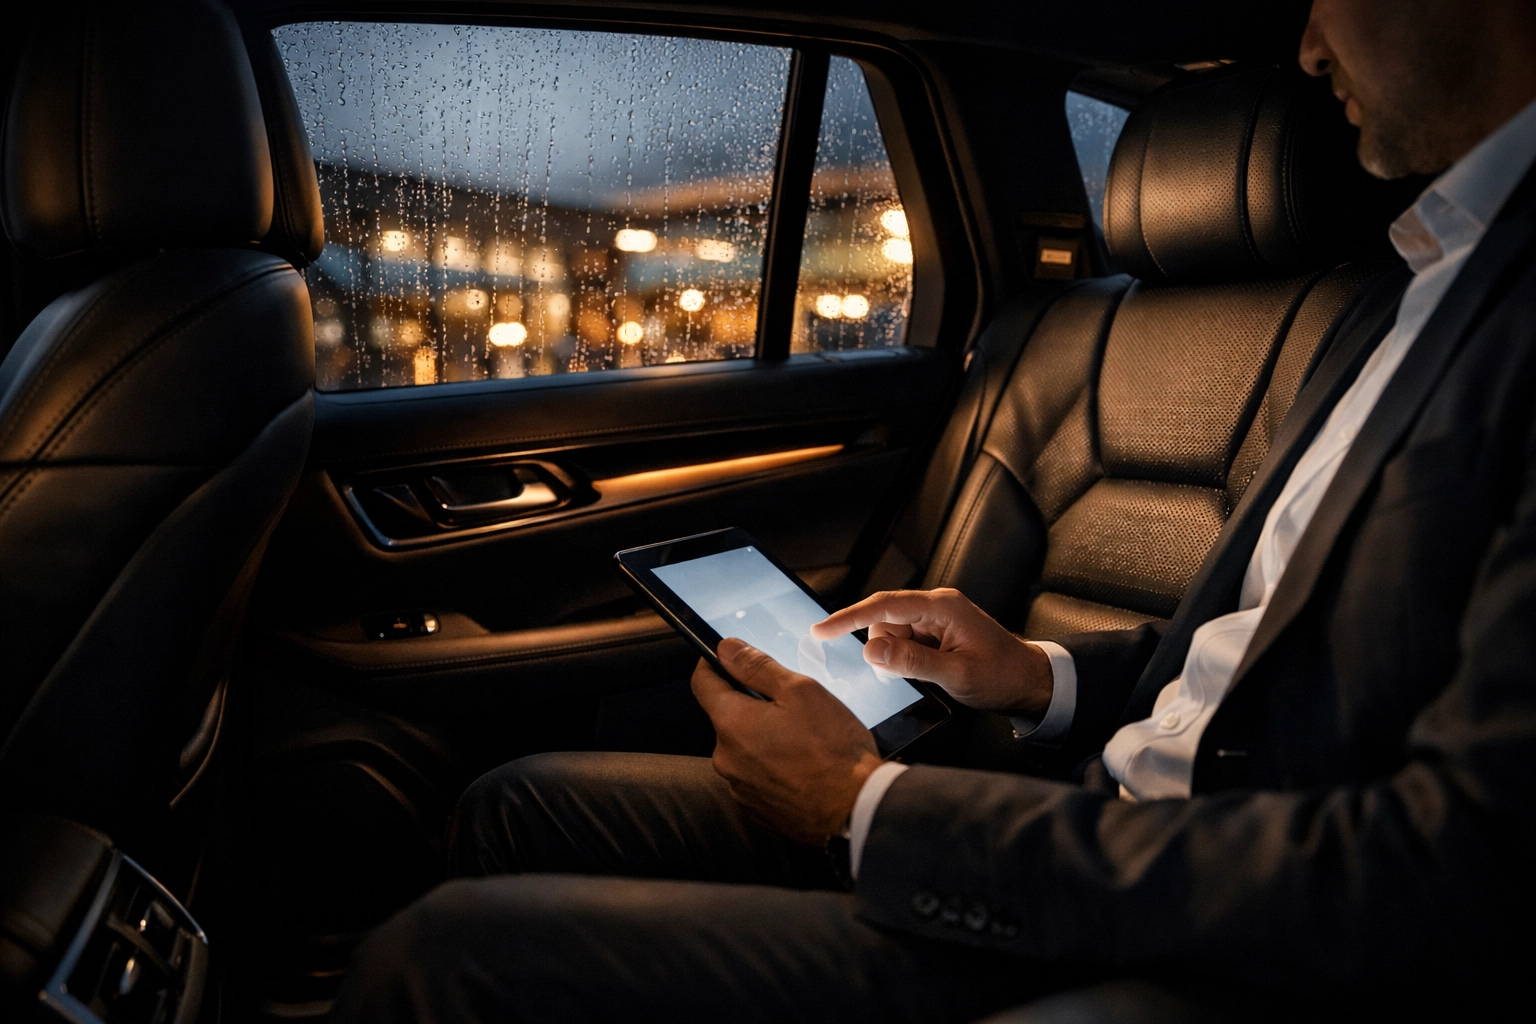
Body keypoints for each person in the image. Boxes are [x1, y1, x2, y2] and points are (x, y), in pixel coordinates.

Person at [332, 1, 1536, 1020]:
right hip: (1096, 813)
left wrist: (872, 806)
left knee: (437, 963)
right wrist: (1033, 673)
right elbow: (1260, 659)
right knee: (518, 801)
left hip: (1187, 916)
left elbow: (1454, 873)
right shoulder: (1409, 298)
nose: (1309, 47)